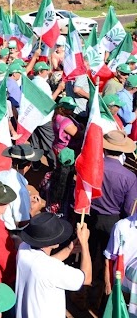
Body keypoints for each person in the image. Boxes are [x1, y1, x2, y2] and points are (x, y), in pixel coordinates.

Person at [89, 130, 137, 303]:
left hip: (90, 216)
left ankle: (85, 290)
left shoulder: (92, 166)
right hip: (113, 221)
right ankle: (104, 294)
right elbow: (129, 207)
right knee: (109, 259)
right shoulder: (129, 176)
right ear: (123, 151)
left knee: (89, 253)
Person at [15, 213, 92, 318]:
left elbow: (43, 263)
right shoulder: (52, 268)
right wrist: (85, 244)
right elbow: (86, 278)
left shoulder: (23, 249)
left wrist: (69, 250)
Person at [30, 61, 64, 169]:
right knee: (50, 143)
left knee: (34, 142)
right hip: (43, 119)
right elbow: (49, 101)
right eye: (46, 70)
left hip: (33, 118)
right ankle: (54, 167)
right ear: (40, 72)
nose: (48, 72)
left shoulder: (32, 82)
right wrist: (59, 89)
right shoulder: (42, 84)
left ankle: (35, 164)